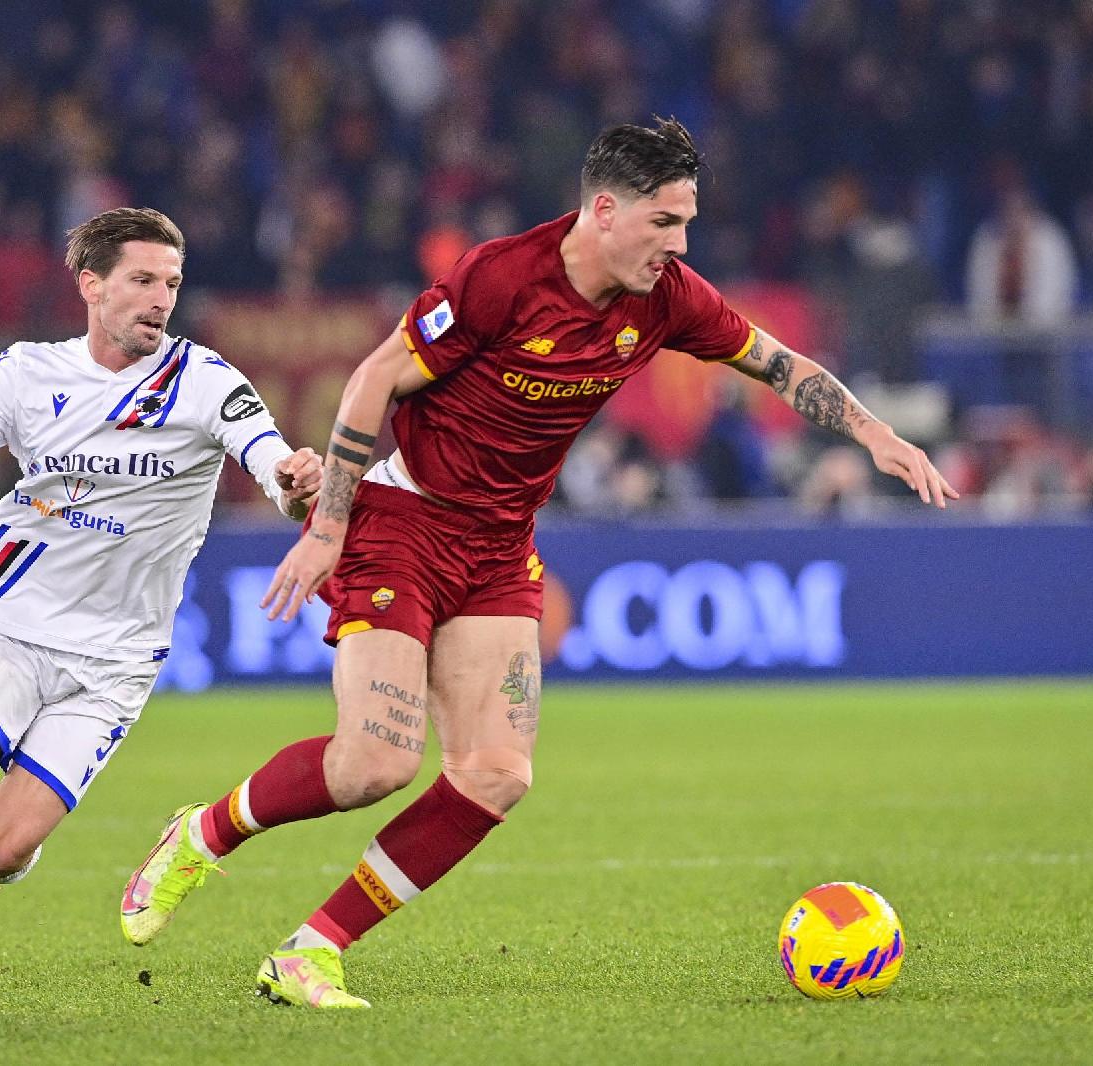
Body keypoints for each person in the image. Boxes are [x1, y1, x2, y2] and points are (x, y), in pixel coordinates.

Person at [118, 121, 958, 1009]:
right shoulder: (502, 277)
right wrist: (328, 525)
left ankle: (311, 949)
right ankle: (201, 836)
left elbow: (776, 364)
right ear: (604, 211)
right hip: (405, 518)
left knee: (496, 773)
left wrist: (875, 434)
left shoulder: (665, 296)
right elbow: (372, 379)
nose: (679, 245)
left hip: (499, 543)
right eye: (665, 223)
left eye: (687, 224)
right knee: (374, 765)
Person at [0, 207, 321, 1004]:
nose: (160, 299)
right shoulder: (22, 374)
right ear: (91, 285)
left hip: (114, 665)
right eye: (142, 280)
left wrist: (298, 486)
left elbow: (276, 473)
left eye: (171, 283)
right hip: (12, 631)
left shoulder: (207, 383)